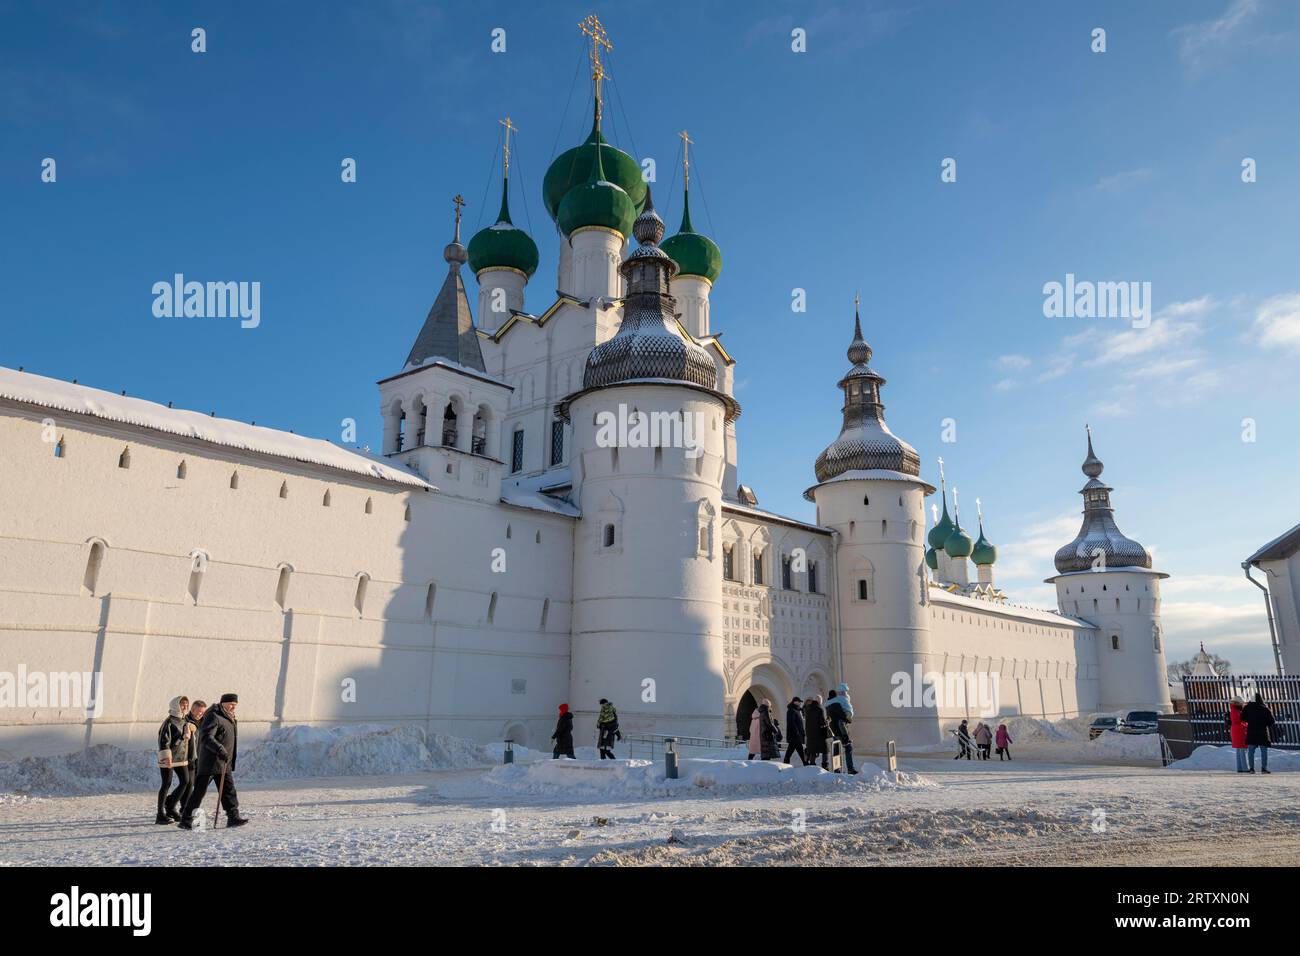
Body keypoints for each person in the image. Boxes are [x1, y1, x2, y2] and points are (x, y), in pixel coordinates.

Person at [180, 693, 247, 829]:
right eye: (231, 705)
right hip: (210, 762)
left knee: (228, 790)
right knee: (199, 791)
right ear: (223, 703)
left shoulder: (228, 716)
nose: (234, 707)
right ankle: (186, 819)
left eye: (235, 705)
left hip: (223, 762)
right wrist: (220, 749)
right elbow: (206, 737)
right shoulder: (213, 716)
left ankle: (233, 817)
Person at [155, 696, 189, 824]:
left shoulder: (184, 720)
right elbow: (164, 740)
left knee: (185, 781)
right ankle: (160, 814)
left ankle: (170, 806)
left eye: (186, 704)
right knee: (166, 784)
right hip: (168, 757)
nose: (185, 706)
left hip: (181, 758)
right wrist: (166, 756)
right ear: (176, 705)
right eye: (182, 704)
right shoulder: (169, 722)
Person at [1241, 693, 1277, 774]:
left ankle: (1251, 769)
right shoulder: (1265, 709)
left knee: (1251, 751)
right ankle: (1264, 768)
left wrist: (1250, 721)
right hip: (1262, 732)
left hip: (1251, 732)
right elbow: (1272, 721)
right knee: (1264, 751)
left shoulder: (1248, 708)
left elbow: (1242, 717)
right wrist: (1265, 724)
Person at [826, 684, 857, 774]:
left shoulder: (828, 706)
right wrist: (848, 719)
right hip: (841, 731)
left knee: (836, 749)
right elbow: (842, 717)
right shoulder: (837, 704)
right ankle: (850, 769)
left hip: (834, 731)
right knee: (848, 748)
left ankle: (837, 769)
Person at [804, 695, 830, 769]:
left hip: (810, 734)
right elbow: (822, 723)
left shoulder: (808, 709)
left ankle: (812, 764)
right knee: (825, 749)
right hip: (819, 734)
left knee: (812, 749)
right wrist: (827, 721)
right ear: (819, 701)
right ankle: (825, 765)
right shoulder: (819, 709)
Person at [784, 697, 807, 765]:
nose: (800, 703)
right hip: (794, 735)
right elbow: (792, 723)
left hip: (796, 735)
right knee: (799, 749)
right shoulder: (791, 710)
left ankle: (786, 761)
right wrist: (797, 732)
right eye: (799, 702)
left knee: (792, 749)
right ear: (795, 702)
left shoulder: (796, 710)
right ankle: (805, 762)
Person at [1227, 697, 1248, 773]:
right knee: (1242, 750)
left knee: (1239, 750)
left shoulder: (1234, 710)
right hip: (1240, 731)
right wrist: (1245, 724)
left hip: (1236, 731)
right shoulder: (1236, 711)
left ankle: (1240, 768)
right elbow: (1239, 721)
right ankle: (1245, 768)